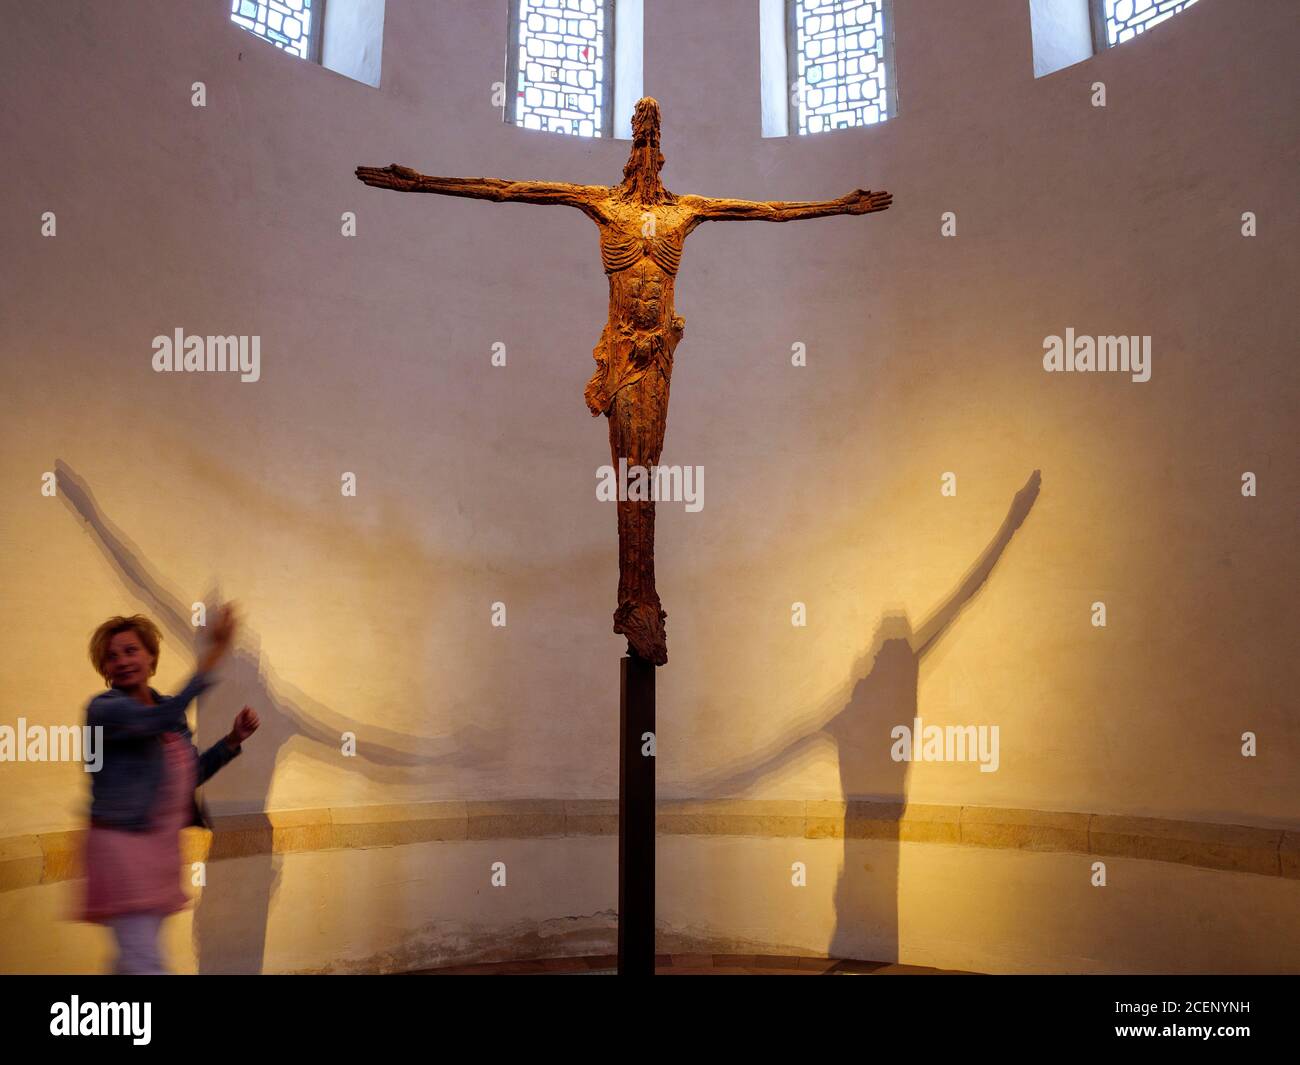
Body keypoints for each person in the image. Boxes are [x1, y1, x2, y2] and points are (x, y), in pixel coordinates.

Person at [79, 603, 259, 973]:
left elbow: (188, 773)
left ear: (150, 656)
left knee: (133, 957)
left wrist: (231, 740)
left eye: (131, 650)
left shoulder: (167, 709)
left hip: (159, 850)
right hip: (121, 848)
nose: (123, 661)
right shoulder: (105, 709)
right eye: (112, 656)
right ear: (105, 668)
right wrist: (215, 654)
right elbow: (152, 722)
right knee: (144, 960)